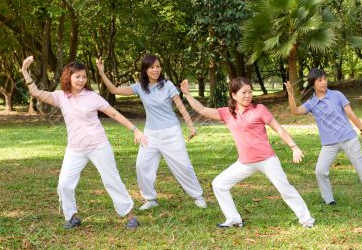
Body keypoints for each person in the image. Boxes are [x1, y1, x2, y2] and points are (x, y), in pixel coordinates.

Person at [21, 56, 147, 229]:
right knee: (64, 184)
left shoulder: (92, 97)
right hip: (75, 148)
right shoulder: (61, 97)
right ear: (68, 77)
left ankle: (130, 215)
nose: (81, 80)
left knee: (112, 181)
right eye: (77, 76)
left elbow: (115, 114)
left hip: (98, 145)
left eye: (84, 76)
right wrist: (25, 72)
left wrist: (135, 130)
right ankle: (72, 216)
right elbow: (36, 93)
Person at [180, 77, 314, 228]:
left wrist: (294, 147)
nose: (248, 95)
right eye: (243, 92)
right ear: (233, 95)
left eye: (250, 92)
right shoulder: (227, 113)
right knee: (219, 184)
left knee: (285, 190)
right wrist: (187, 94)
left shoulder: (260, 109)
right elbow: (202, 110)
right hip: (245, 162)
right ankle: (234, 219)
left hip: (267, 160)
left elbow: (278, 128)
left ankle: (306, 220)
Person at [97, 55, 206, 210]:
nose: (156, 70)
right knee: (142, 165)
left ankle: (197, 196)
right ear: (145, 70)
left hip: (171, 132)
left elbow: (181, 107)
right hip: (150, 134)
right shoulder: (140, 87)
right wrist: (102, 73)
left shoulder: (167, 85)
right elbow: (114, 89)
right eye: (152, 67)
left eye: (158, 66)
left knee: (183, 166)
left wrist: (191, 127)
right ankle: (150, 199)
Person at [285, 68, 362, 209]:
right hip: (329, 144)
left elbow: (350, 113)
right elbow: (295, 111)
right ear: (313, 84)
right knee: (320, 171)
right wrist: (291, 95)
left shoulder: (337, 95)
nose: (324, 82)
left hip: (349, 139)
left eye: (325, 79)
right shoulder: (312, 103)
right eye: (320, 80)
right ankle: (329, 200)